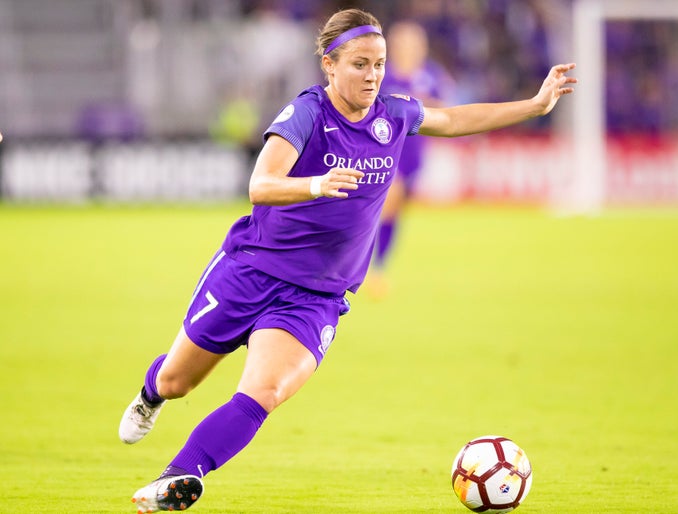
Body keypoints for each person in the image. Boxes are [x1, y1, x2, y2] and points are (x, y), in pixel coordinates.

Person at [119, 8, 576, 512]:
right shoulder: (307, 112)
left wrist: (533, 106)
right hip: (250, 271)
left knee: (264, 391)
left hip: (316, 295)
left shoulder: (394, 113)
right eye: (360, 64)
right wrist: (316, 184)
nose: (373, 75)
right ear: (330, 66)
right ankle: (149, 397)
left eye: (378, 64)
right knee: (176, 381)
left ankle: (179, 477)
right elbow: (260, 184)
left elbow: (453, 118)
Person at [369, 19, 454, 296]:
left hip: (415, 154)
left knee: (395, 210)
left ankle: (378, 266)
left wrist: (422, 103)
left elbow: (445, 109)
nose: (411, 48)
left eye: (416, 42)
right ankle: (373, 270)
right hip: (384, 151)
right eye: (405, 42)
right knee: (389, 201)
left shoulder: (431, 74)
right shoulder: (383, 74)